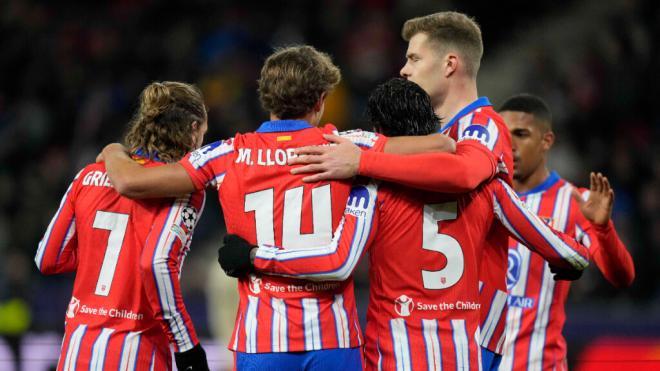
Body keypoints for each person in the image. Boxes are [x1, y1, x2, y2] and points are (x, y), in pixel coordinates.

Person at [99, 46, 453, 371]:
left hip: (261, 341)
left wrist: (114, 150)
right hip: (334, 339)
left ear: (265, 97)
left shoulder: (227, 154)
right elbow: (441, 146)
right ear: (320, 101)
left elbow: (131, 183)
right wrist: (364, 159)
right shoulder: (345, 146)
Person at [218, 78, 594, 371]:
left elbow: (335, 261)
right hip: (460, 353)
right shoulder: (487, 185)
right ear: (433, 124)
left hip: (392, 352)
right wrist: (569, 261)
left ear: (380, 133)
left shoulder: (371, 188)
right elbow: (568, 253)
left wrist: (255, 256)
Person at [287, 12, 514, 369]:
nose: (404, 70)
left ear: (450, 64)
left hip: (472, 320)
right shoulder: (431, 134)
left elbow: (465, 172)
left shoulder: (482, 125)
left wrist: (362, 162)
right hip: (421, 319)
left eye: (414, 58)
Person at [35, 81, 210, 370]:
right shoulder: (183, 189)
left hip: (77, 349)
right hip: (138, 349)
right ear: (192, 130)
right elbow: (156, 264)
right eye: (204, 131)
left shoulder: (87, 176)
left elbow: (47, 259)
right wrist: (186, 346)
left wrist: (96, 251)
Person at [497, 94, 635, 371]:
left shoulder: (574, 201)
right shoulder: (486, 197)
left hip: (538, 364)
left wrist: (602, 228)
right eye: (503, 134)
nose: (509, 144)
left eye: (521, 134)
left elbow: (622, 277)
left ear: (547, 141)